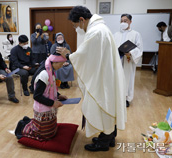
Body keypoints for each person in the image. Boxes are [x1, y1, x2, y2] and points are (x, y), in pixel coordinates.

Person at [57, 6, 126, 152]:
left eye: (75, 25)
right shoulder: (101, 28)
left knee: (101, 103)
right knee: (108, 103)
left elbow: (85, 55)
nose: (76, 28)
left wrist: (68, 55)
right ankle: (109, 135)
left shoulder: (96, 32)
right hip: (105, 73)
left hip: (102, 77)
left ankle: (104, 142)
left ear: (82, 20)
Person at [15, 52, 68, 141]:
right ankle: (23, 125)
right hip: (43, 108)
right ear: (54, 62)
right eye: (61, 64)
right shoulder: (44, 74)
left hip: (49, 108)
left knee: (52, 132)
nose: (62, 66)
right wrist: (53, 103)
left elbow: (50, 89)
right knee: (46, 135)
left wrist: (59, 96)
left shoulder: (50, 70)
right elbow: (37, 96)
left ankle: (30, 122)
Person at [114, 14, 143, 107]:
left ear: (130, 22)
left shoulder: (136, 34)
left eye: (125, 21)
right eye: (121, 21)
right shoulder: (116, 34)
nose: (123, 22)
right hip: (118, 60)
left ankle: (127, 98)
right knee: (117, 79)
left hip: (128, 61)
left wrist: (130, 53)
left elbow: (139, 49)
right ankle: (117, 97)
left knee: (128, 79)